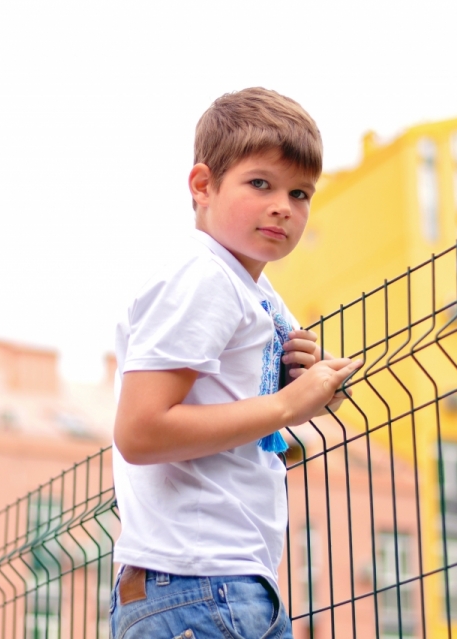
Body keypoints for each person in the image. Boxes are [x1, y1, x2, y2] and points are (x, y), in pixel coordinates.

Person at [110, 87, 361, 639]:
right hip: (196, 580)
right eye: (260, 183)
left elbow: (261, 406)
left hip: (225, 578)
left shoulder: (255, 290)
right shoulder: (203, 277)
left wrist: (308, 380)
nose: (283, 206)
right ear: (203, 185)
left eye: (300, 193)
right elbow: (141, 430)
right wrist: (287, 403)